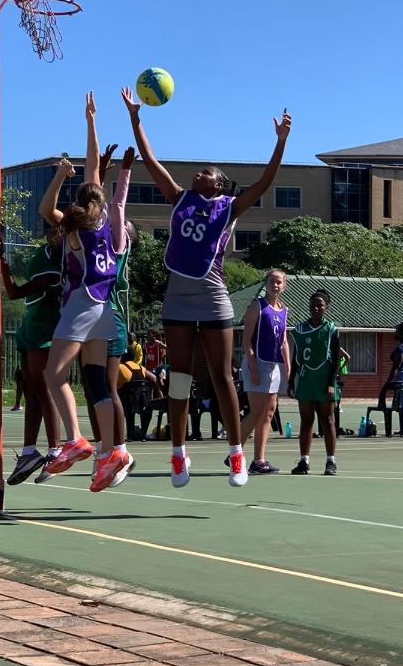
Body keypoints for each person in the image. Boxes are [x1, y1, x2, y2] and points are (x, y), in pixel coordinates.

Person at [123, 85, 291, 488]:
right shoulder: (179, 198)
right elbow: (150, 160)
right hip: (178, 297)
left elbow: (265, 184)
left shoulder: (229, 208)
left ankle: (237, 454)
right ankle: (179, 455)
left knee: (220, 376)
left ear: (219, 185)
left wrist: (280, 143)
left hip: (213, 298)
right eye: (198, 171)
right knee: (179, 377)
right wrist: (135, 117)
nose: (198, 173)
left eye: (207, 173)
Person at [40, 91, 131, 492]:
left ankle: (75, 440)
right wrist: (92, 121)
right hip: (106, 309)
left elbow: (46, 211)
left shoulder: (76, 228)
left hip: (82, 303)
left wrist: (60, 175)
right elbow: (95, 169)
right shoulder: (111, 228)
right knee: (95, 381)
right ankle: (111, 451)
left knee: (53, 374)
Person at [83, 144, 137, 489]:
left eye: (123, 226)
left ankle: (118, 450)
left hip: (110, 319)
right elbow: (101, 206)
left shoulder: (117, 244)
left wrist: (124, 172)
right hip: (97, 318)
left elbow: (114, 205)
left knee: (106, 388)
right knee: (95, 390)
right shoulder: (102, 240)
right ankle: (109, 450)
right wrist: (101, 170)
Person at [0, 231, 64, 485]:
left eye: (60, 230)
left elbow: (15, 292)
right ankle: (29, 452)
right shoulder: (43, 254)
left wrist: (4, 266)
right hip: (30, 328)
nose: (54, 234)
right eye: (51, 229)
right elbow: (16, 292)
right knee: (30, 391)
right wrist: (4, 265)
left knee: (44, 389)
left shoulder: (58, 266)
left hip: (45, 332)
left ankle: (55, 451)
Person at [238, 269, 290, 474]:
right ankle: (235, 451)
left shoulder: (284, 309)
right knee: (256, 411)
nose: (275, 285)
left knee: (268, 414)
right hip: (257, 363)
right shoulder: (257, 306)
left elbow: (284, 340)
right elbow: (246, 340)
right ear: (266, 283)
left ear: (284, 286)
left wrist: (288, 367)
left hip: (274, 366)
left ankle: (259, 461)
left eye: (279, 282)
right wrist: (252, 367)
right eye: (272, 281)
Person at [287, 288, 340, 476]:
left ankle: (330, 462)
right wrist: (291, 380)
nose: (316, 308)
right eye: (313, 305)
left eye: (320, 305)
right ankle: (304, 461)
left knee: (328, 420)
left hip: (324, 379)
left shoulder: (331, 329)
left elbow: (335, 358)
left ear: (327, 306)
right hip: (306, 378)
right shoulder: (301, 329)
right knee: (306, 421)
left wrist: (331, 383)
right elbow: (296, 357)